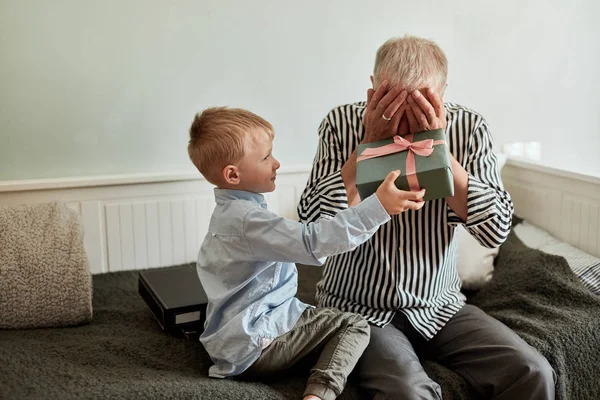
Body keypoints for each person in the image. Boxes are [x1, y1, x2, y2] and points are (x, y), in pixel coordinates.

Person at [297, 35, 556, 399]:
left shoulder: (469, 128)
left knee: (533, 371)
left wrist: (439, 151)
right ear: (373, 89)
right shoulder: (340, 124)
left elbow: (496, 231)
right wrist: (368, 145)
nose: (405, 122)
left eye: (420, 104)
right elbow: (311, 225)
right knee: (408, 392)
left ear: (443, 92)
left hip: (440, 305)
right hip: (359, 308)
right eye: (393, 103)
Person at [187, 106, 427, 400]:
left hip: (230, 344)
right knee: (353, 324)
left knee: (315, 316)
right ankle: (320, 394)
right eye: (265, 158)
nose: (276, 163)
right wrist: (379, 207)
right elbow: (314, 242)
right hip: (256, 344)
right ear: (233, 175)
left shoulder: (226, 215)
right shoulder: (249, 220)